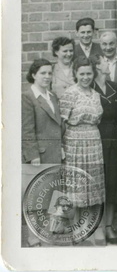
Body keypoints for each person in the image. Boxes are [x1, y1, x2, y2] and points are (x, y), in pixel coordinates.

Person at [59, 56, 105, 243]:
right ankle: (74, 230)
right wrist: (62, 146)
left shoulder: (95, 94)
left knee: (91, 184)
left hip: (93, 140)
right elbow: (62, 122)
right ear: (75, 74)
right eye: (82, 73)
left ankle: (89, 229)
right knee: (75, 184)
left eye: (89, 73)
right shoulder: (70, 93)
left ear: (93, 74)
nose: (86, 77)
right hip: (74, 142)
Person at [22, 59, 62, 247]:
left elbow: (56, 125)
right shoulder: (28, 97)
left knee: (51, 196)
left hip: (54, 153)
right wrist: (32, 154)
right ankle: (33, 238)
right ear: (33, 75)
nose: (47, 76)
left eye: (49, 73)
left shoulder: (52, 96)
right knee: (36, 197)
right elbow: (27, 129)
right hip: (39, 156)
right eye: (43, 73)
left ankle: (47, 237)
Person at [90, 54, 117, 245]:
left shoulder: (113, 86)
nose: (108, 64)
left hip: (113, 137)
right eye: (104, 61)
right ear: (97, 65)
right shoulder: (90, 88)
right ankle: (98, 227)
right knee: (97, 183)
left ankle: (109, 227)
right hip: (96, 136)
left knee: (112, 182)